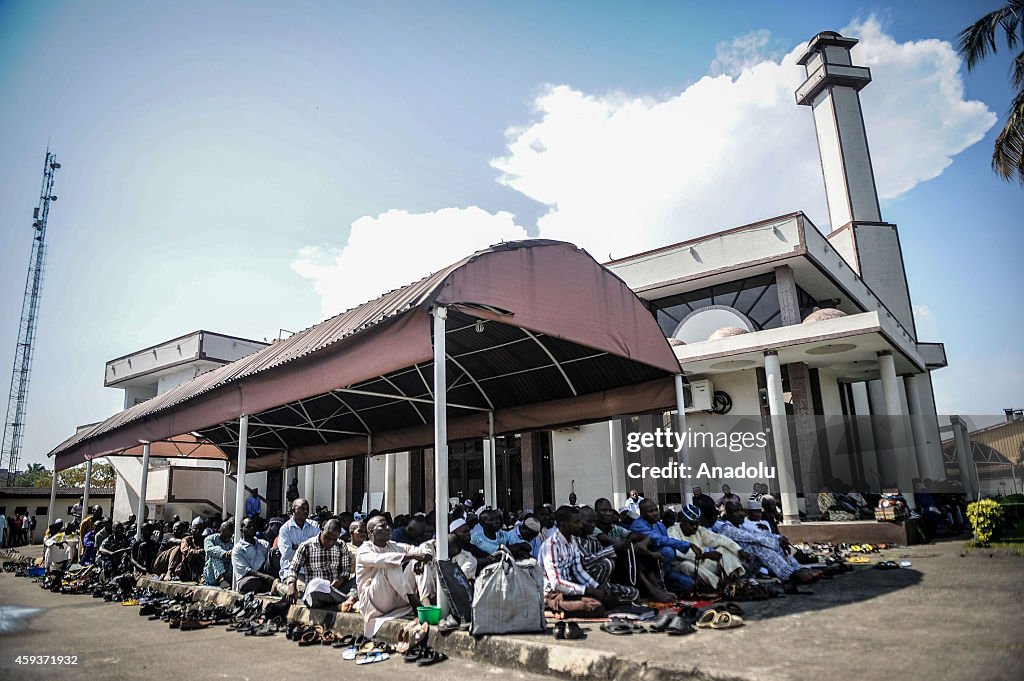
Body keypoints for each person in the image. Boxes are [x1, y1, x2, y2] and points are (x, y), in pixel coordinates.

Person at [355, 515, 433, 637]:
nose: (388, 528)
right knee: (391, 565)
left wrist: (420, 558)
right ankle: (417, 606)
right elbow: (382, 560)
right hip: (375, 603)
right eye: (383, 526)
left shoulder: (393, 545)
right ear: (371, 532)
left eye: (388, 525)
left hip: (397, 600)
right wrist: (412, 556)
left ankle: (426, 604)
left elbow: (420, 551)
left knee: (417, 563)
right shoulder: (364, 549)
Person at [713, 500, 818, 585]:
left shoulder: (740, 526)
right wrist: (777, 541)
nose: (740, 514)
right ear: (728, 514)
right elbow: (754, 537)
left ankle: (796, 569)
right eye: (736, 511)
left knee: (769, 543)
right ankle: (790, 575)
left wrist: (779, 538)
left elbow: (761, 535)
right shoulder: (727, 529)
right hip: (737, 570)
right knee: (758, 546)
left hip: (749, 565)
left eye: (741, 510)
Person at [541, 505, 620, 616]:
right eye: (576, 522)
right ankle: (549, 605)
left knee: (612, 600)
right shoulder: (551, 546)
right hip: (552, 592)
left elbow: (578, 571)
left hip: (568, 590)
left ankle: (563, 609)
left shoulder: (572, 541)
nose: (580, 525)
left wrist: (597, 587)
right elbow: (557, 584)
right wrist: (588, 591)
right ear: (563, 524)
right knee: (596, 607)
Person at [668, 503, 748, 590]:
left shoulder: (700, 530)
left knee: (724, 549)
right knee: (686, 565)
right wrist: (705, 555)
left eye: (696, 524)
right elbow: (679, 553)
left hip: (702, 563)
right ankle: (719, 583)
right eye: (691, 524)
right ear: (683, 521)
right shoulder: (672, 531)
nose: (695, 527)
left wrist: (739, 550)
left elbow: (719, 539)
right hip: (683, 566)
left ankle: (734, 579)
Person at [629, 499, 698, 592]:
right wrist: (688, 544)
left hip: (664, 569)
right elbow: (658, 539)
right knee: (668, 551)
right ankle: (655, 587)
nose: (655, 513)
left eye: (656, 510)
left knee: (689, 583)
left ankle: (664, 585)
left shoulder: (659, 525)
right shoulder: (637, 525)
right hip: (646, 568)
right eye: (650, 511)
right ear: (642, 513)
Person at [285, 518, 354, 609]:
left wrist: (339, 581)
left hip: (336, 590)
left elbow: (345, 571)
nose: (330, 542)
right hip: (316, 593)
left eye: (334, 540)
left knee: (360, 579)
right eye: (327, 537)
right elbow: (293, 568)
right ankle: (344, 603)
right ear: (322, 530)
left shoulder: (341, 545)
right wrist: (291, 585)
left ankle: (346, 601)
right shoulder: (306, 546)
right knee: (316, 584)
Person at [275, 498, 320, 595]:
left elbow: (318, 550)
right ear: (293, 511)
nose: (306, 511)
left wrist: (297, 547)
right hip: (292, 572)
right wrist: (306, 549)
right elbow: (287, 554)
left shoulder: (314, 526)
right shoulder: (285, 529)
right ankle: (277, 585)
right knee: (300, 593)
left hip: (312, 571)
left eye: (307, 509)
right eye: (302, 508)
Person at [233, 517, 274, 594]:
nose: (252, 528)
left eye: (253, 526)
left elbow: (270, 560)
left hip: (265, 573)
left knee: (274, 552)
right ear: (242, 530)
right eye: (248, 527)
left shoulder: (263, 543)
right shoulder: (238, 549)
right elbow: (246, 570)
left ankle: (272, 585)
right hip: (249, 577)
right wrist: (265, 577)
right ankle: (270, 587)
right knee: (248, 584)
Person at [203, 519, 234, 587]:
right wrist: (224, 554)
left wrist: (233, 553)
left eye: (229, 537)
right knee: (214, 555)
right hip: (212, 574)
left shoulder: (233, 540)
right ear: (219, 531)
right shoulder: (210, 539)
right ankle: (221, 579)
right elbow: (209, 549)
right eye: (224, 537)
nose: (227, 539)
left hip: (228, 571)